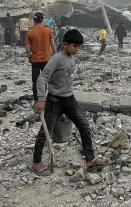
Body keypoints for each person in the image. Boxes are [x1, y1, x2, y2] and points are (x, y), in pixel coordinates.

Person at [30, 29, 108, 175]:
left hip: (69, 99)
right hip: (55, 100)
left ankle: (90, 160)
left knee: (84, 125)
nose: (77, 49)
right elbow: (42, 79)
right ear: (65, 44)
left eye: (79, 46)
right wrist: (41, 99)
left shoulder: (72, 57)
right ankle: (36, 162)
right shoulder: (56, 59)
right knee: (46, 131)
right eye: (74, 46)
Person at [25, 12, 57, 99]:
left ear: (34, 20)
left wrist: (29, 58)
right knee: (45, 79)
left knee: (35, 80)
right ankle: (43, 97)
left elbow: (27, 49)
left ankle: (37, 99)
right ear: (42, 20)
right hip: (46, 59)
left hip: (35, 60)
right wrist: (55, 56)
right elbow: (53, 45)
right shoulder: (48, 30)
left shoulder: (30, 33)